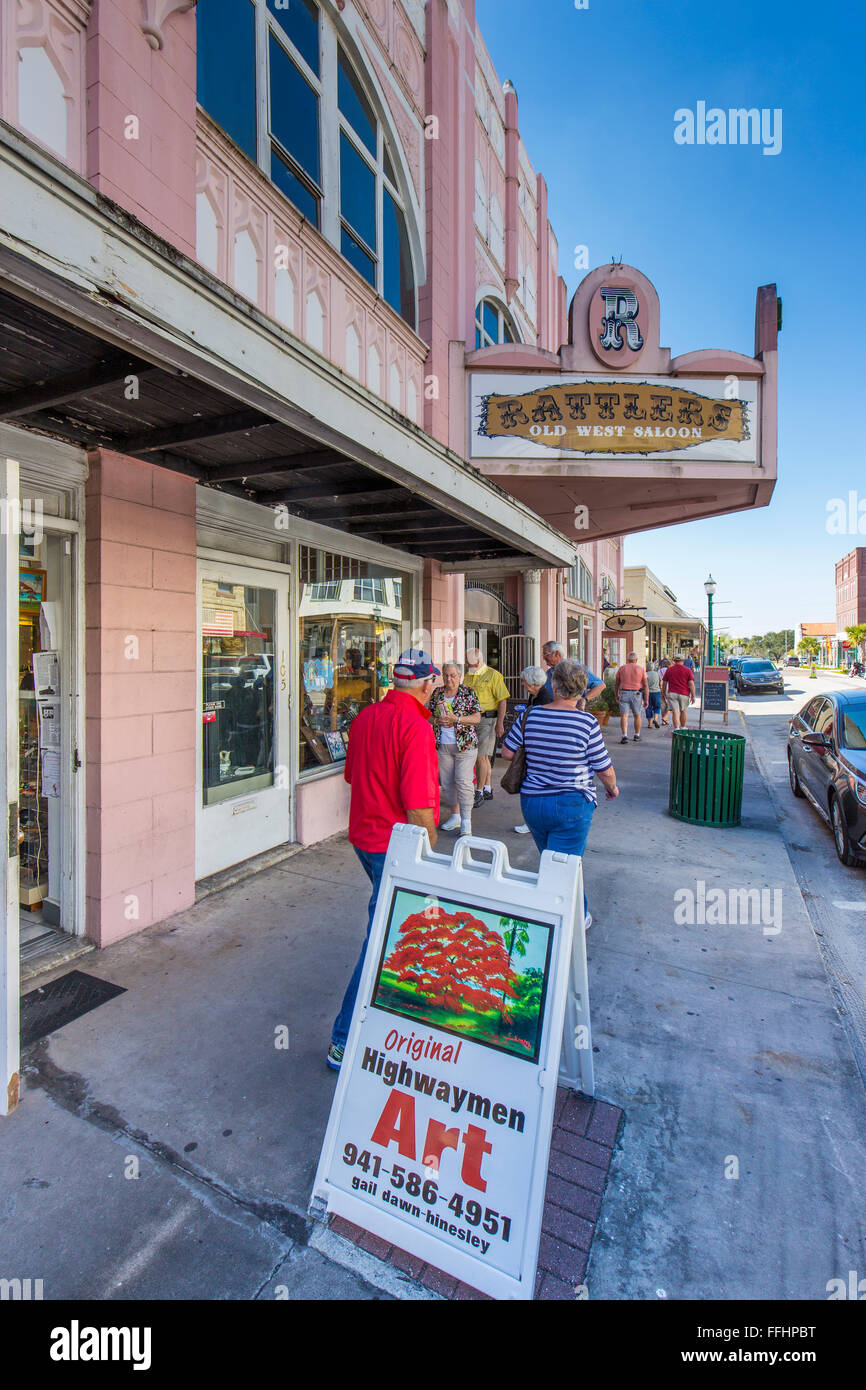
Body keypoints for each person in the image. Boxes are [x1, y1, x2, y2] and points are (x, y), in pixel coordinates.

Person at [327, 649, 441, 1071]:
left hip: (364, 837)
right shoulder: (414, 725)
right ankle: (343, 1038)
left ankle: (401, 1009)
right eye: (435, 685)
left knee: (395, 925)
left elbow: (353, 777)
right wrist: (429, 853)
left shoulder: (366, 717)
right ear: (427, 684)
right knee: (382, 938)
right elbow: (418, 806)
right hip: (395, 845)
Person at [502, 659, 619, 930]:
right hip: (572, 804)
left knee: (552, 860)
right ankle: (573, 918)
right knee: (564, 866)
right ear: (581, 690)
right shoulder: (587, 722)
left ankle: (561, 912)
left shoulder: (529, 716)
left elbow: (508, 752)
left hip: (533, 802)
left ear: (554, 686)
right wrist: (612, 788)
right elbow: (604, 768)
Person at [430, 661, 482, 836]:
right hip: (443, 745)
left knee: (463, 781)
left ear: (460, 676)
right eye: (446, 675)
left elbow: (477, 718)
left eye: (452, 675)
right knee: (447, 783)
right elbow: (428, 715)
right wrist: (437, 721)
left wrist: (457, 719)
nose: (449, 679)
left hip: (465, 745)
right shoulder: (437, 693)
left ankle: (466, 820)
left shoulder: (468, 693)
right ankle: (455, 815)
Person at [463, 647, 509, 808]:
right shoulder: (468, 675)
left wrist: (500, 723)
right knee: (485, 757)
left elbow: (502, 700)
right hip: (471, 720)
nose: (467, 664)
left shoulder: (494, 675)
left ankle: (479, 791)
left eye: (469, 661)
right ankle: (488, 787)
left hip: (488, 720)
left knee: (480, 757)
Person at [510, 664, 552, 835]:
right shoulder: (536, 697)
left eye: (523, 681)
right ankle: (533, 821)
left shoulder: (544, 698)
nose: (522, 684)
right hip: (535, 750)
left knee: (535, 789)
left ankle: (534, 822)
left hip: (540, 751)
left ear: (532, 682)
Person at [542, 640, 604, 708]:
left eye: (546, 654)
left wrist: (584, 699)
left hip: (571, 713)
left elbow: (600, 685)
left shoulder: (574, 669)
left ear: (557, 654)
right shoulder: (548, 674)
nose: (544, 658)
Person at [614, 650, 649, 744]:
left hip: (624, 692)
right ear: (636, 660)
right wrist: (646, 699)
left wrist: (616, 695)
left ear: (627, 659)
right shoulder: (640, 669)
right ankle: (637, 735)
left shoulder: (622, 668)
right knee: (637, 715)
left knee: (624, 715)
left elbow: (616, 684)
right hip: (636, 694)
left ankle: (624, 735)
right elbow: (645, 685)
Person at [661, 653, 696, 729]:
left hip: (672, 693)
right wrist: (693, 696)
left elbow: (664, 683)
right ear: (683, 661)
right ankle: (683, 727)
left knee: (675, 712)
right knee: (683, 711)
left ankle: (676, 728)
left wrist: (663, 693)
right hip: (684, 694)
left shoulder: (669, 670)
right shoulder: (688, 670)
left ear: (674, 661)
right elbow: (691, 684)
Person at [645, 661, 662, 728]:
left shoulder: (645, 674)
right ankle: (655, 719)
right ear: (653, 667)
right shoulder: (657, 674)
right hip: (656, 692)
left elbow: (643, 684)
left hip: (648, 693)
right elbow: (660, 683)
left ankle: (650, 724)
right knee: (657, 707)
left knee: (648, 707)